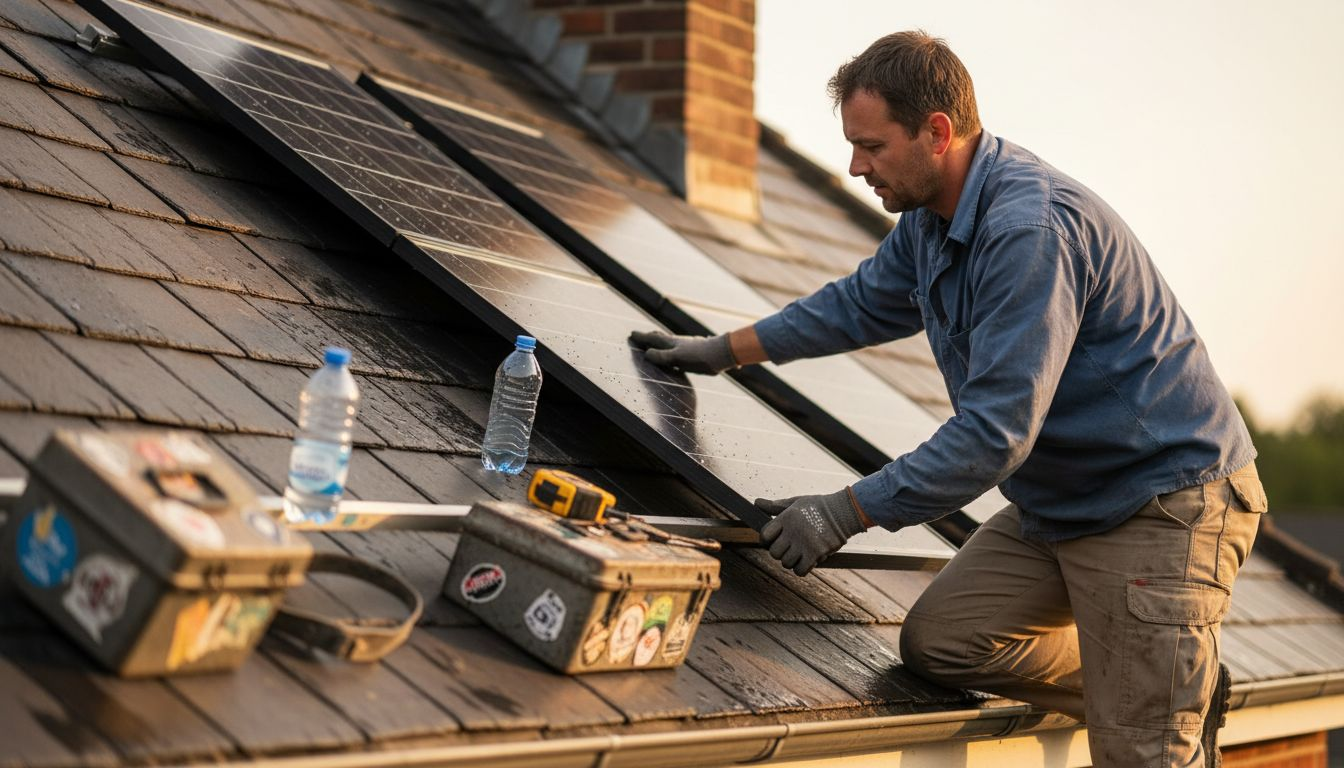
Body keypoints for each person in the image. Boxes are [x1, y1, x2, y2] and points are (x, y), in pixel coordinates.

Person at [630, 30, 1267, 768]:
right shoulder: (931, 221)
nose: (854, 165)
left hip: (1160, 504)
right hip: (1065, 502)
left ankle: (1156, 704)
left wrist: (845, 511)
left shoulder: (1027, 231)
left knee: (1140, 754)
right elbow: (858, 303)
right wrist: (725, 350)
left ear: (937, 132)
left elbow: (995, 435)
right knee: (942, 642)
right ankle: (1160, 684)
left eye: (871, 146)